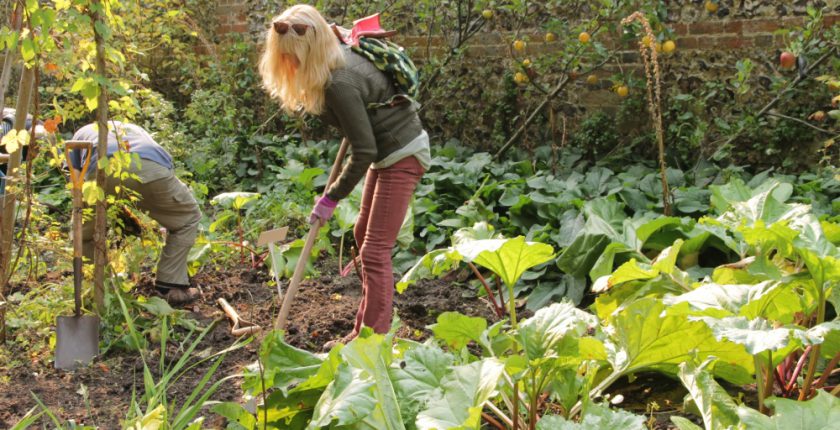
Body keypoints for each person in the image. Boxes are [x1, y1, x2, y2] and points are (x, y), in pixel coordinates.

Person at [259, 5, 431, 347]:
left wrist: (331, 197)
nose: (289, 65)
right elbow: (362, 130)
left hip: (401, 153)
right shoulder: (335, 55)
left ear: (309, 51)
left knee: (374, 251)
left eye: (293, 58)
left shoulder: (339, 81)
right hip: (386, 152)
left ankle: (372, 339)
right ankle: (363, 328)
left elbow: (363, 150)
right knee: (361, 232)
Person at [71, 122, 201, 305]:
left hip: (99, 171)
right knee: (187, 218)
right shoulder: (135, 129)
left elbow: (74, 181)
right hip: (151, 167)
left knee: (82, 235)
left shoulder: (82, 133)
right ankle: (170, 287)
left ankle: (101, 288)